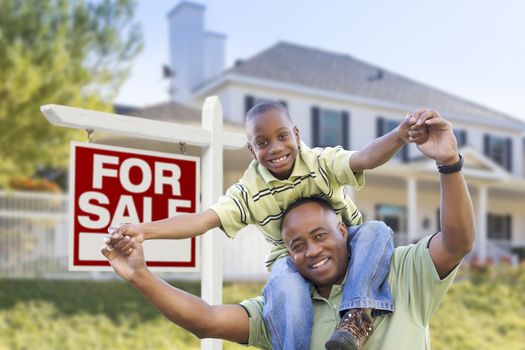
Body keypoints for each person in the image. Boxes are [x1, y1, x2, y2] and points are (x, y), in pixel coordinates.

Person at [103, 109, 474, 349]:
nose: (311, 250)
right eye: (298, 243)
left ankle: (357, 314)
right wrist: (142, 254)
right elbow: (207, 314)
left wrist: (430, 152)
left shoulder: (399, 273)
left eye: (319, 236)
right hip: (285, 274)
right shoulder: (285, 301)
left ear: (296, 135)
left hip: (364, 247)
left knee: (377, 229)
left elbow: (456, 241)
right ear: (251, 150)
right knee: (282, 279)